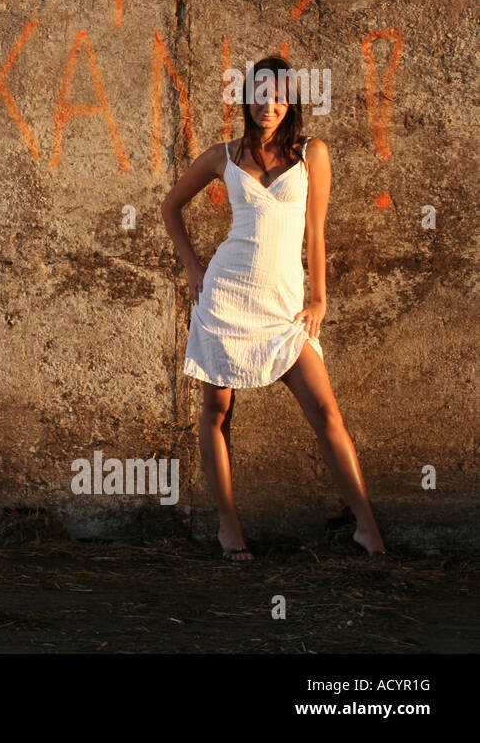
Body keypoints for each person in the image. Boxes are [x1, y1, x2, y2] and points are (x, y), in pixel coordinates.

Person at [160, 56, 387, 561]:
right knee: (216, 413)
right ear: (247, 98)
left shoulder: (312, 154)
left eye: (280, 95)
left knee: (327, 413)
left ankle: (367, 527)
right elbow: (169, 208)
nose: (269, 104)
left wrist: (320, 300)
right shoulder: (223, 155)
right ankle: (227, 529)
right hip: (224, 299)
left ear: (292, 102)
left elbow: (316, 233)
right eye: (260, 94)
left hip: (284, 310)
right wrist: (195, 269)